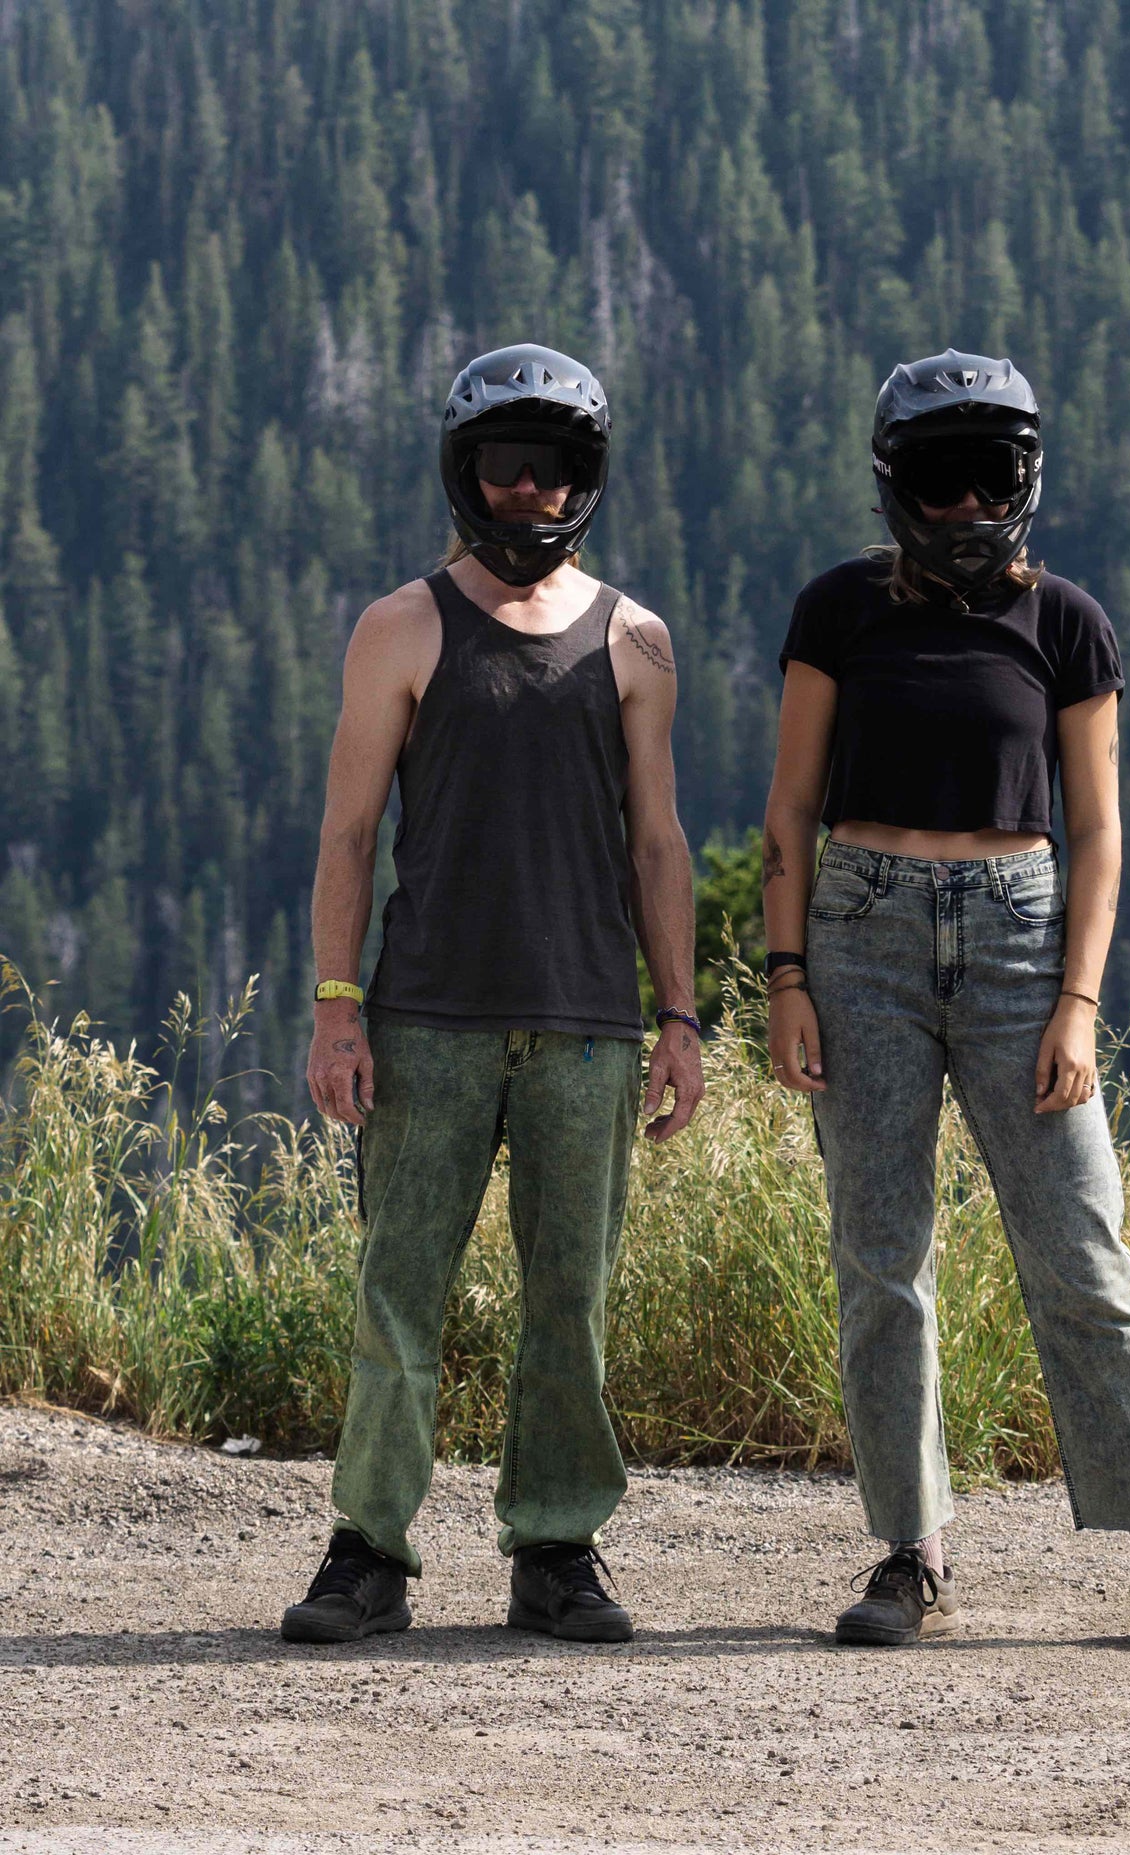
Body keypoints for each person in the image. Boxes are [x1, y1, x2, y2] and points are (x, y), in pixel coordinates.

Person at [761, 349, 1130, 1654]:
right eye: (939, 477)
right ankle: (909, 1554)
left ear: (1025, 481)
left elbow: (1101, 831)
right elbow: (791, 807)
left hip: (1026, 949)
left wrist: (1078, 1004)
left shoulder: (1068, 624)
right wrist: (786, 976)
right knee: (881, 1259)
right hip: (857, 940)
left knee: (1083, 1251)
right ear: (895, 485)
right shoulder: (837, 611)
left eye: (992, 476)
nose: (968, 504)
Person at [281, 343, 704, 1646]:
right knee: (400, 1287)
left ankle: (557, 1547)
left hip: (588, 1025)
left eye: (553, 466)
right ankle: (368, 1553)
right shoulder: (400, 627)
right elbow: (349, 834)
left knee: (568, 1296)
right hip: (425, 1018)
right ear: (464, 474)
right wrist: (335, 1005)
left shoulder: (636, 639)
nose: (527, 491)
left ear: (587, 477)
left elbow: (658, 843)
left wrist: (682, 1016)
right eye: (502, 465)